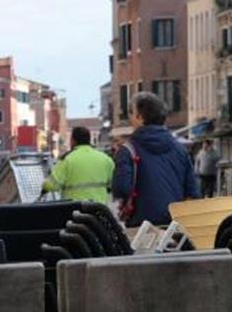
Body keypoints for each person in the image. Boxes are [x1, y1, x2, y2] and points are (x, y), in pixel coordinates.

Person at [112, 92, 200, 226]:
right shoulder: (180, 150)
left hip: (140, 226)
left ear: (139, 117)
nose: (129, 117)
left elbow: (121, 189)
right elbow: (193, 192)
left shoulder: (127, 151)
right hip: (174, 226)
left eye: (131, 112)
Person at [42, 126, 115, 204]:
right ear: (89, 140)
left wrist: (44, 185)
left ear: (73, 141)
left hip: (74, 210)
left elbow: (52, 185)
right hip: (100, 210)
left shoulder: (67, 159)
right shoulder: (106, 159)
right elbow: (113, 184)